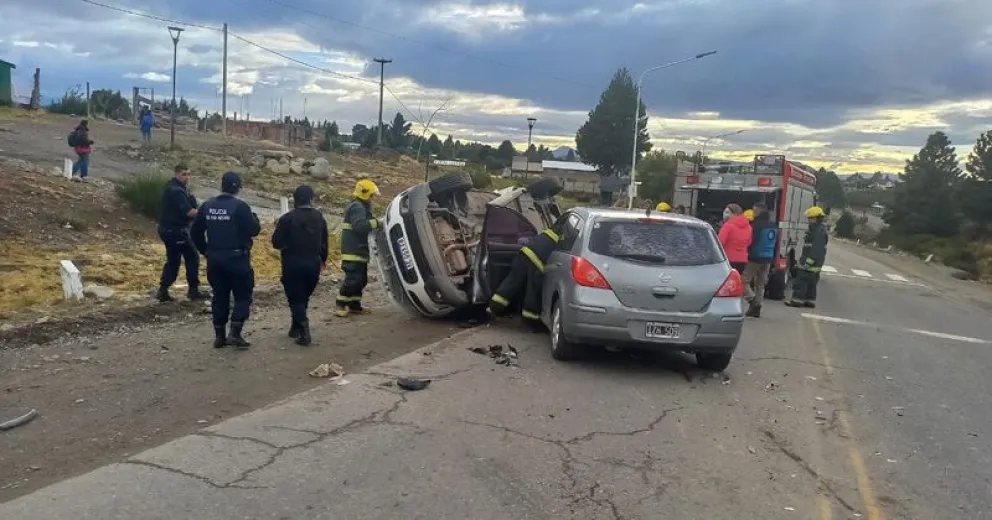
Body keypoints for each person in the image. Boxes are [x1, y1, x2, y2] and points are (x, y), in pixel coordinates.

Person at [190, 172, 262, 348]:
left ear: (222, 185)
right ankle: (235, 333)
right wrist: (255, 219)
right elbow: (253, 230)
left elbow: (195, 232)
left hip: (215, 259)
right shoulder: (240, 207)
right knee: (243, 296)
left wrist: (205, 250)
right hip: (237, 258)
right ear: (238, 187)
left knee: (220, 296)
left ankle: (219, 336)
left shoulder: (207, 206)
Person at [272, 185, 329, 346]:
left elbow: (276, 242)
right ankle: (296, 326)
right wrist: (323, 259)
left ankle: (304, 330)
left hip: (293, 263)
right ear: (311, 199)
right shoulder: (319, 217)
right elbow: (324, 242)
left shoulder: (287, 219)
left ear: (295, 199)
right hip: (313, 263)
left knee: (295, 298)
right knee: (303, 296)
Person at [488, 226, 561, 326]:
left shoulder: (553, 230)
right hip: (537, 262)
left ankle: (494, 308)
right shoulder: (569, 237)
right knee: (533, 292)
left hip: (525, 253)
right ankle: (530, 321)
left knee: (511, 283)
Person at [156, 164, 208, 302]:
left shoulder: (176, 188)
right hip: (176, 230)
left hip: (168, 229)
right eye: (184, 174)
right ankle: (193, 290)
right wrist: (205, 212)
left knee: (173, 260)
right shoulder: (176, 191)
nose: (187, 177)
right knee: (192, 257)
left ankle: (163, 290)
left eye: (189, 174)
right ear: (176, 174)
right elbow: (188, 212)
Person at [335, 179, 380, 317]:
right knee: (353, 279)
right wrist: (377, 222)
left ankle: (355, 305)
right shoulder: (357, 207)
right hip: (353, 251)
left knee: (361, 279)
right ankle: (341, 304)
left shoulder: (362, 207)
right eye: (372, 195)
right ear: (366, 195)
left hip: (359, 250)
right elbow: (360, 226)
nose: (373, 199)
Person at [785, 206, 829, 308]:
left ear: (816, 218)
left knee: (801, 280)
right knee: (811, 283)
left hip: (810, 262)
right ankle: (809, 301)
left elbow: (816, 249)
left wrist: (808, 262)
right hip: (816, 263)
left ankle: (797, 300)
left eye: (810, 218)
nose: (809, 220)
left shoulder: (818, 231)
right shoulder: (820, 229)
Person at [742, 202, 778, 317]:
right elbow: (775, 243)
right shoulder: (773, 225)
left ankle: (753, 302)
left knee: (743, 281)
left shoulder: (756, 225)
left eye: (754, 210)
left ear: (758, 211)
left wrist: (746, 253)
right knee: (760, 284)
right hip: (768, 258)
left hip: (755, 257)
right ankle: (757, 309)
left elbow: (751, 242)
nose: (753, 212)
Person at [718, 203, 752, 274]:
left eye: (727, 212)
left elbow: (720, 243)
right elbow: (749, 242)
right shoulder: (749, 227)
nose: (724, 214)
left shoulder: (727, 226)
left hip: (728, 259)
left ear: (735, 214)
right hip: (742, 260)